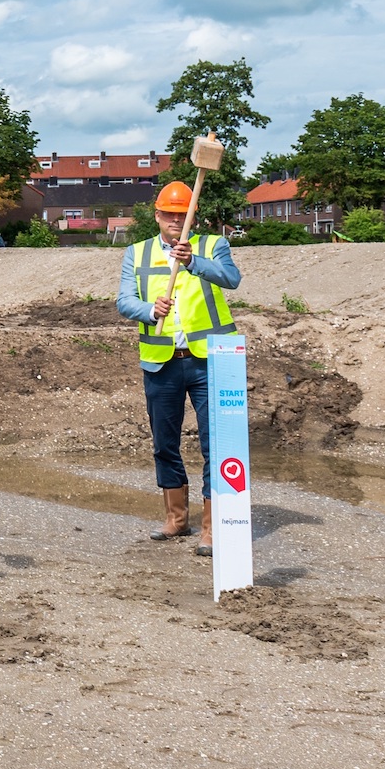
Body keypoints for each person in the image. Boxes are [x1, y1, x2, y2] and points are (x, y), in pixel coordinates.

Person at [117, 179, 241, 555]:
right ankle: (176, 519)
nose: (174, 220)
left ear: (192, 216)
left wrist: (194, 262)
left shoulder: (211, 245)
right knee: (165, 445)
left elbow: (231, 279)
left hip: (209, 362)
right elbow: (124, 301)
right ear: (157, 216)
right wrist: (148, 310)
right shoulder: (136, 254)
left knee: (214, 444)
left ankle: (212, 527)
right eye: (168, 214)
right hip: (161, 364)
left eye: (181, 214)